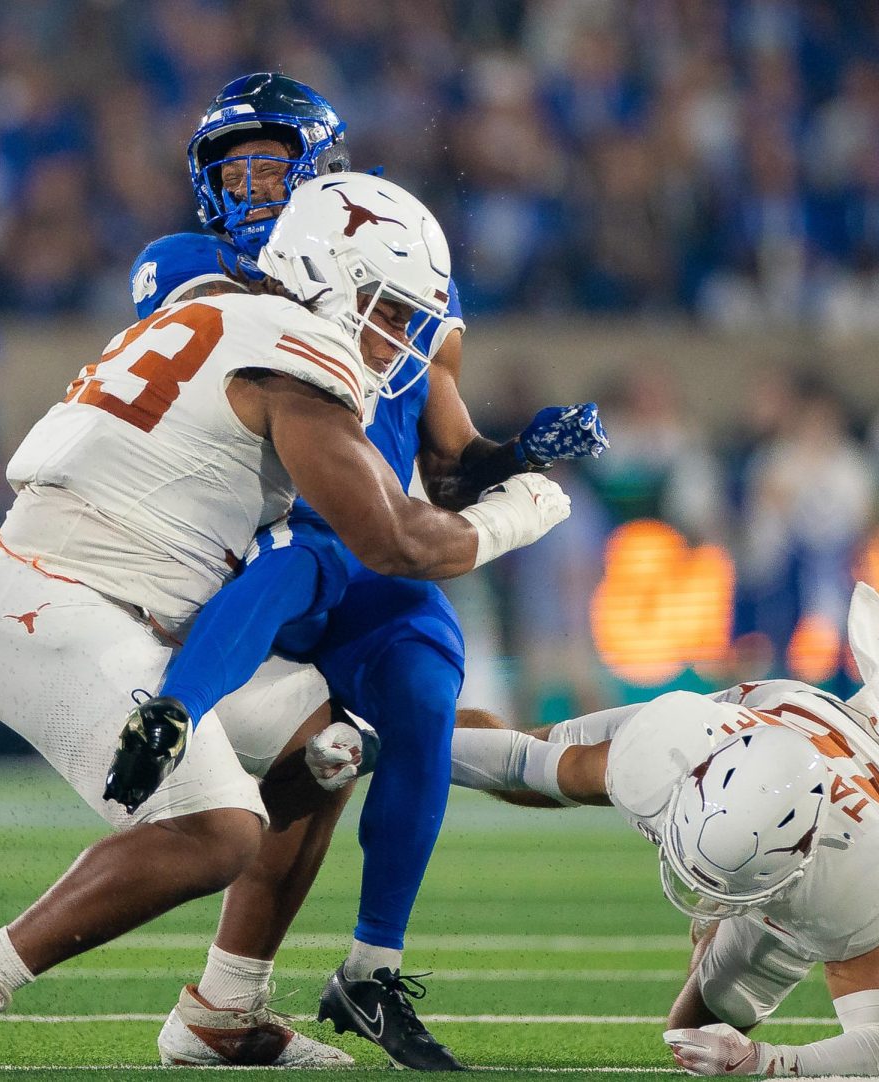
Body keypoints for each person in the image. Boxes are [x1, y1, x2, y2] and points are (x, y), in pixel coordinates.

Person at [0, 170, 573, 1074]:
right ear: (324, 275)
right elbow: (397, 542)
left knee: (320, 748)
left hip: (107, 595)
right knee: (218, 833)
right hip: (60, 597)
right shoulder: (299, 352)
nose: (400, 338)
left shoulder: (220, 307)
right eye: (387, 309)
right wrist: (522, 508)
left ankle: (224, 1008)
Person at [129, 73, 608, 1070]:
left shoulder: (399, 258)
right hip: (246, 539)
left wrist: (518, 453)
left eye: (273, 160)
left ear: (324, 170)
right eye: (236, 165)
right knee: (318, 739)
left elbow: (447, 459)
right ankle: (167, 716)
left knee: (429, 677)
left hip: (368, 543)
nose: (252, 182)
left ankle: (369, 971)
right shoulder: (192, 263)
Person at [450, 583, 879, 1078]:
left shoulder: (853, 871)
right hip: (772, 708)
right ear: (695, 784)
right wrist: (386, 742)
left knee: (698, 1025)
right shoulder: (674, 748)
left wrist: (769, 1062)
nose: (704, 890)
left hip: (867, 781)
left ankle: (728, 927)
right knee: (534, 765)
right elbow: (523, 763)